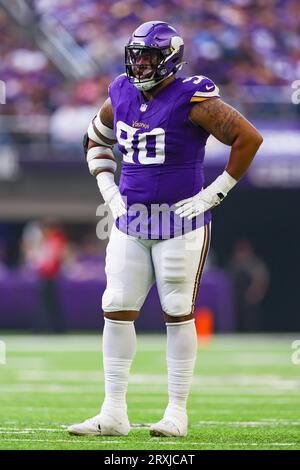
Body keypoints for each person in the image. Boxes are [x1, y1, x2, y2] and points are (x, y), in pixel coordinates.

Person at [68, 21, 263, 438]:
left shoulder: (192, 97)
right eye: (135, 55)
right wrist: (107, 187)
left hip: (180, 221)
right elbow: (94, 139)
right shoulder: (120, 90)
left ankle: (176, 412)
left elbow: (248, 138)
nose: (139, 63)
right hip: (129, 220)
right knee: (116, 305)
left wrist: (215, 194)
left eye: (149, 56)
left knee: (177, 311)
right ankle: (113, 412)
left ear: (170, 59)